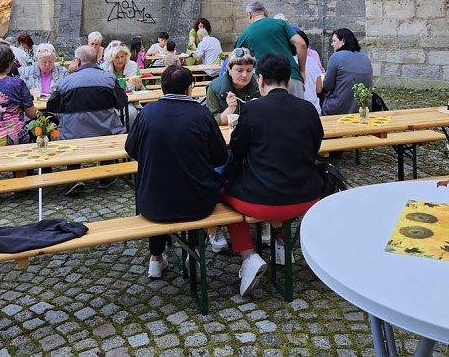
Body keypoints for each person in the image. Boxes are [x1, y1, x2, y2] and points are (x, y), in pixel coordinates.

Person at [220, 54, 323, 296]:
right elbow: (315, 146)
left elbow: (237, 151)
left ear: (261, 79)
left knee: (221, 190)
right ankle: (281, 242)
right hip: (306, 196)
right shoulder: (308, 109)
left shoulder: (253, 109)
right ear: (288, 80)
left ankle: (248, 255)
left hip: (262, 201)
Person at [125, 66, 228, 278]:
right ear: (190, 89)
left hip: (153, 203)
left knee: (159, 183)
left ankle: (155, 258)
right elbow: (220, 157)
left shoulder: (146, 113)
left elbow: (131, 149)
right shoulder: (202, 114)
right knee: (197, 182)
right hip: (198, 202)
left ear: (162, 88)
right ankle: (195, 254)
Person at [47, 45, 128, 192]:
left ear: (77, 61)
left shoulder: (66, 82)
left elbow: (52, 106)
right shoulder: (109, 78)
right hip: (106, 131)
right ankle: (106, 176)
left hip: (73, 134)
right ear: (96, 59)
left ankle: (75, 176)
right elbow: (121, 102)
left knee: (70, 128)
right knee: (108, 127)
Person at [235, 2, 307, 99]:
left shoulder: (246, 34)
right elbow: (301, 44)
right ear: (266, 12)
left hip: (266, 82)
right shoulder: (281, 24)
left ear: (249, 15)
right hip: (291, 75)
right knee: (298, 112)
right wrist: (302, 70)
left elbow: (235, 59)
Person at [321, 28, 373, 116]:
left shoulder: (336, 57)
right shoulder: (365, 58)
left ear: (343, 41)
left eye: (334, 41)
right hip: (362, 109)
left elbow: (327, 85)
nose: (332, 44)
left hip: (338, 109)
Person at [204, 48, 260, 126]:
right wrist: (230, 109)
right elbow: (213, 121)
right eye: (239, 70)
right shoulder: (214, 88)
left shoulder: (260, 84)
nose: (245, 75)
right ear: (229, 69)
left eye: (249, 70)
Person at [297, 30, 324, 114]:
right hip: (313, 108)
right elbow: (319, 89)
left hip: (296, 110)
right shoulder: (312, 61)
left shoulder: (287, 63)